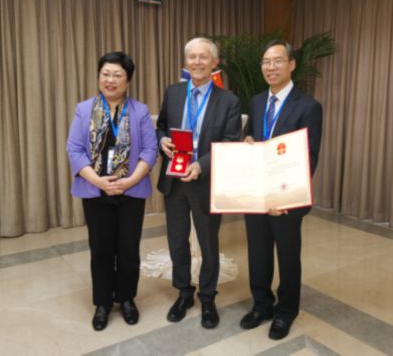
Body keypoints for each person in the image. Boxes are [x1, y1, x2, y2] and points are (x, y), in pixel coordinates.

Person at [66, 52, 158, 331]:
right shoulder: (84, 109)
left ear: (127, 81)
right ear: (98, 77)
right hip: (96, 191)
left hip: (131, 191)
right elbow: (74, 150)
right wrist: (99, 181)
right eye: (105, 74)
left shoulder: (140, 111)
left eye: (117, 75)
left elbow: (150, 150)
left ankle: (127, 298)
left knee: (128, 249)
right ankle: (103, 303)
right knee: (101, 249)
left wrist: (129, 181)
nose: (110, 80)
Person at [156, 37, 241, 329]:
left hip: (206, 182)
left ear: (214, 63)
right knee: (177, 240)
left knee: (208, 242)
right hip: (175, 181)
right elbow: (161, 127)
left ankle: (207, 297)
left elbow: (230, 142)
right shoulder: (173, 92)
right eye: (192, 57)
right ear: (186, 61)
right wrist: (162, 141)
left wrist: (201, 165)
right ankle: (183, 293)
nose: (197, 62)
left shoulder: (229, 101)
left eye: (203, 57)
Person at [241, 40, 323, 340]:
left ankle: (286, 311)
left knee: (288, 256)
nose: (270, 67)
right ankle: (261, 304)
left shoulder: (309, 107)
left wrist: (285, 198)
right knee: (258, 253)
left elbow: (309, 156)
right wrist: (248, 140)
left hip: (287, 199)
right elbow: (252, 136)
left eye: (277, 61)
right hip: (257, 194)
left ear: (291, 64)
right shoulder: (257, 101)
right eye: (266, 62)